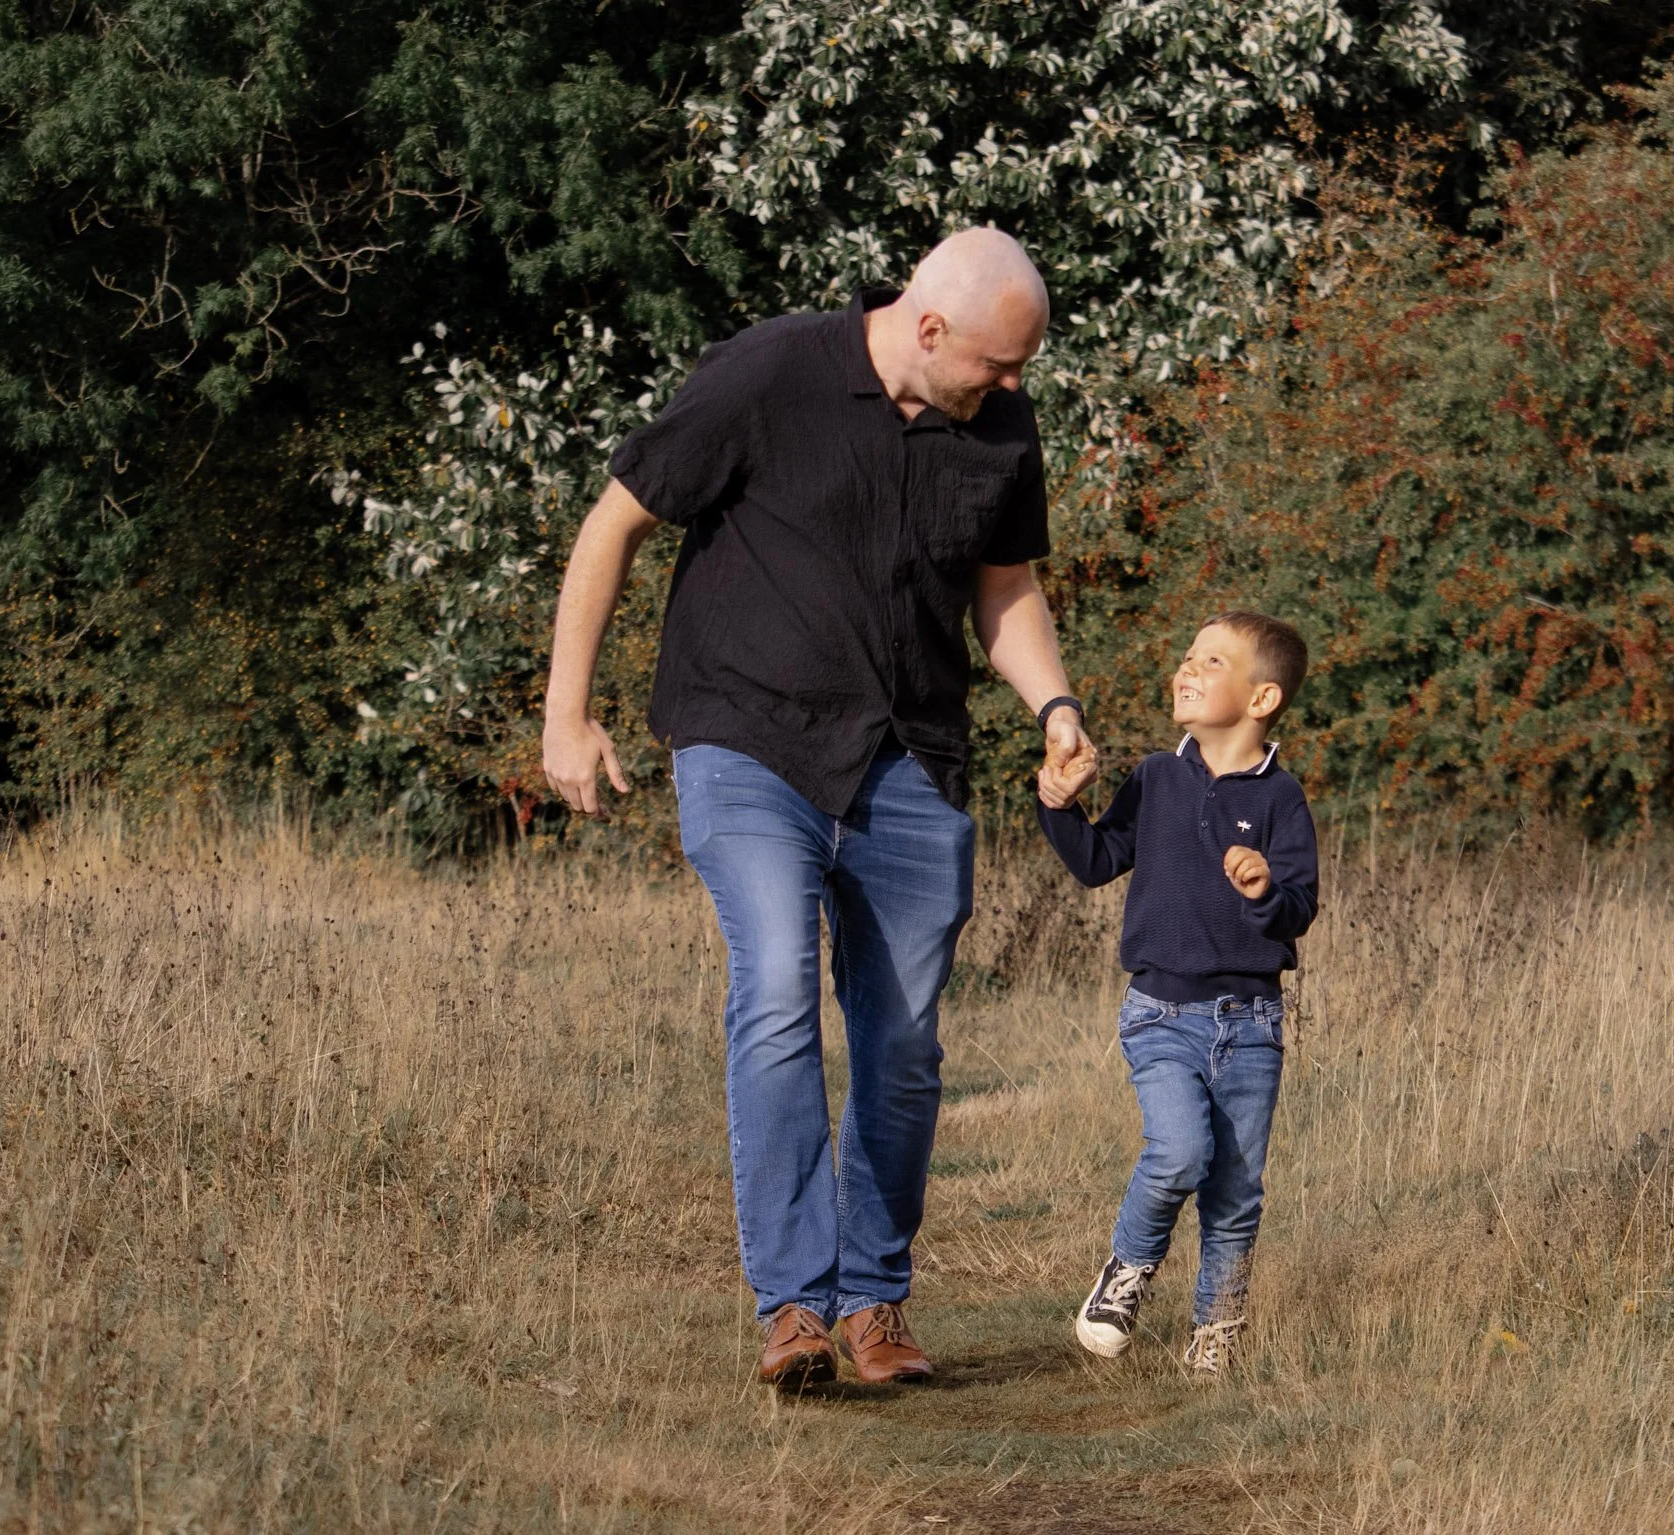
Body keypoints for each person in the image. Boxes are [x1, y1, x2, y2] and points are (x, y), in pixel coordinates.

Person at [541, 227, 1098, 1390]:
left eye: (1020, 371)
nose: (1009, 388)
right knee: (780, 989)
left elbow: (1004, 590)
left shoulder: (997, 427)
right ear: (927, 325)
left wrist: (1053, 707)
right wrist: (565, 714)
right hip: (748, 739)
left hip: (909, 760)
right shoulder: (771, 373)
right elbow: (617, 519)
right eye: (995, 365)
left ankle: (873, 1303)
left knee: (901, 1047)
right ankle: (793, 1306)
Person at [1034, 611, 1318, 1374]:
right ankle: (1126, 1272)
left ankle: (1215, 1333)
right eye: (1187, 655)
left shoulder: (1282, 798)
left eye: (1210, 661)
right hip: (1161, 1011)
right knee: (1179, 1152)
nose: (1186, 668)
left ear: (1261, 698)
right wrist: (1059, 805)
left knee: (1236, 1188)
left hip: (1254, 1024)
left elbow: (1300, 903)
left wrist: (1265, 888)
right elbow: (1097, 860)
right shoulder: (1157, 777)